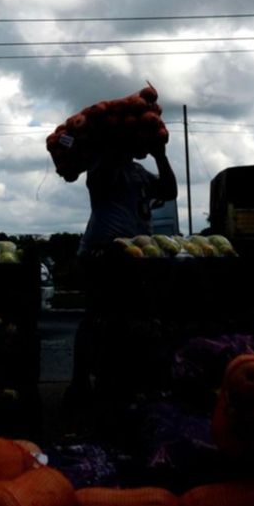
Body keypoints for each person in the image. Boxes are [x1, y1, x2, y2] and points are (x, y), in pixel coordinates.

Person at [66, 137, 177, 414]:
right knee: (97, 315)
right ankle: (80, 382)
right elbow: (107, 164)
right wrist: (120, 138)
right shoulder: (101, 167)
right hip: (102, 252)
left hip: (134, 255)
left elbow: (169, 190)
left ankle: (120, 381)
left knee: (130, 318)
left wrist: (160, 155)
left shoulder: (139, 171)